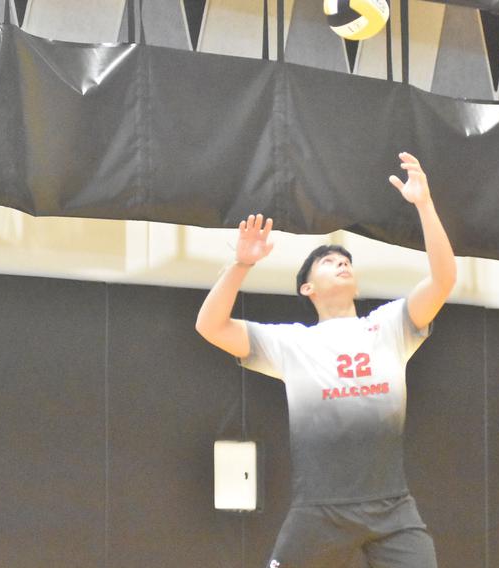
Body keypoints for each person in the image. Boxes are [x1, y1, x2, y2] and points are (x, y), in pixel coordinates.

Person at [195, 152, 456, 568]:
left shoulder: (389, 326)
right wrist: (241, 264)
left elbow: (444, 280)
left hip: (392, 510)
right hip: (319, 512)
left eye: (346, 260)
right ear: (306, 289)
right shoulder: (291, 344)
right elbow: (210, 326)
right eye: (328, 260)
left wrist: (424, 204)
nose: (341, 263)